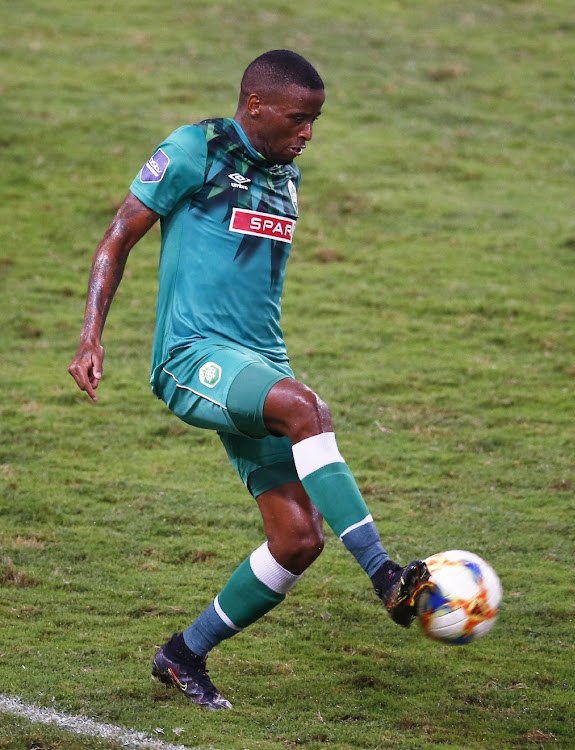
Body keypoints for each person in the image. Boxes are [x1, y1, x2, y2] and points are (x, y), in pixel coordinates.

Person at [68, 49, 430, 711]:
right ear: (255, 106)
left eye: (316, 121)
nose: (308, 134)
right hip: (191, 359)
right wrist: (91, 337)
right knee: (305, 409)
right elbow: (117, 237)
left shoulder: (287, 176)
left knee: (297, 540)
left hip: (259, 362)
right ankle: (383, 574)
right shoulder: (193, 151)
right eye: (298, 119)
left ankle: (183, 654)